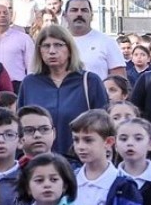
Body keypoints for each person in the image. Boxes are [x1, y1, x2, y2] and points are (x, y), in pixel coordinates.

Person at [17, 28, 109, 160]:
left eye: (58, 45)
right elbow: (19, 126)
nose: (52, 51)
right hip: (38, 162)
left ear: (70, 49)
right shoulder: (29, 83)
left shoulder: (90, 81)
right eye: (46, 46)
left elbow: (103, 125)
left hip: (81, 161)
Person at [62, 0, 124, 81]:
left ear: (91, 15)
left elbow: (120, 80)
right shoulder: (56, 43)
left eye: (84, 10)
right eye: (74, 10)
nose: (79, 14)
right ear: (65, 15)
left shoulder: (107, 42)